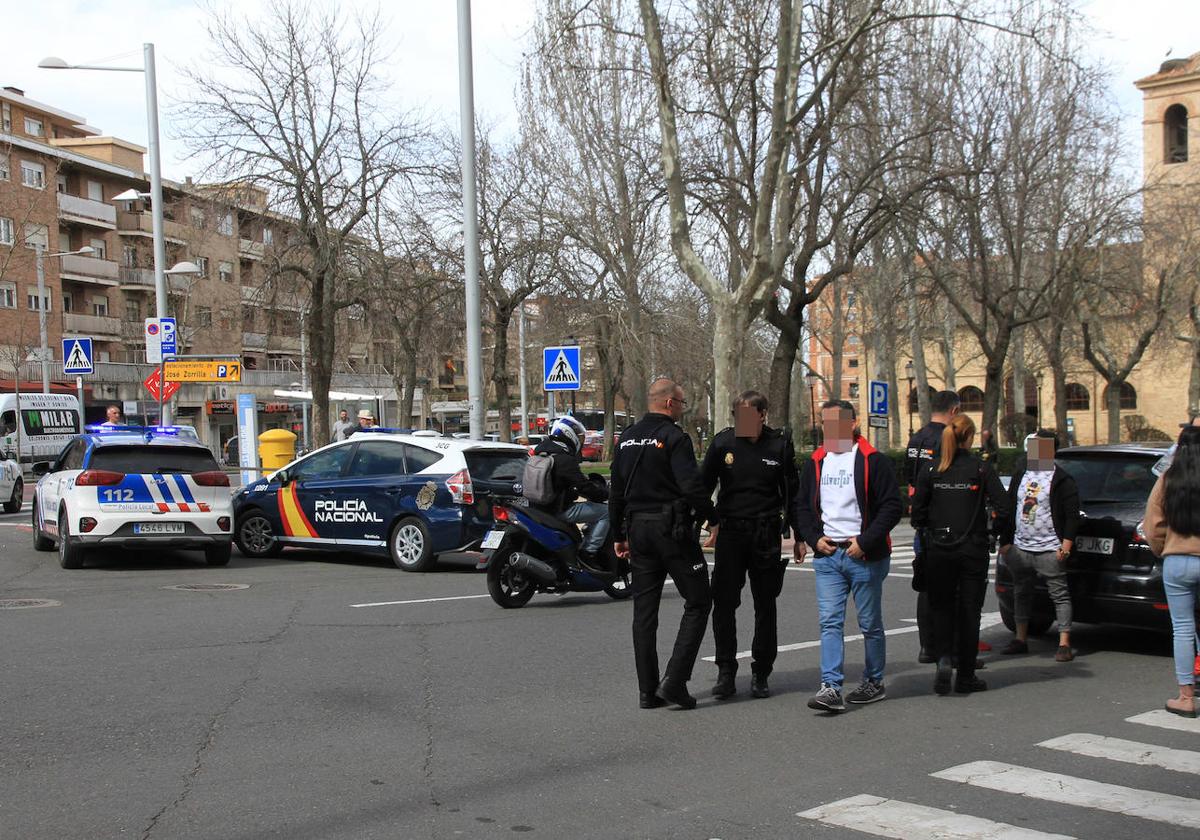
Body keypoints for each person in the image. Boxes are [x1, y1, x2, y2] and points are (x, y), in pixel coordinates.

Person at [610, 378, 716, 710]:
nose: (683, 409)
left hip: (637, 529)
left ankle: (647, 690)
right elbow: (691, 486)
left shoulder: (625, 438)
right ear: (669, 403)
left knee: (644, 612)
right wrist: (713, 517)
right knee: (699, 600)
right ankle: (675, 681)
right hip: (671, 530)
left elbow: (616, 491)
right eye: (682, 403)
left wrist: (617, 535)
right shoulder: (674, 437)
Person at [794, 399, 902, 713]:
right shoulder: (816, 461)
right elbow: (802, 506)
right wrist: (814, 539)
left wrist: (866, 542)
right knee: (829, 623)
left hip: (864, 556)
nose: (829, 430)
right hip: (828, 557)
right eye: (825, 424)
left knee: (869, 623)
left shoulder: (872, 460)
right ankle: (830, 687)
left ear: (852, 424)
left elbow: (892, 507)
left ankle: (874, 681)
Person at [701, 390, 802, 700]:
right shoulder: (723, 443)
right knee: (724, 604)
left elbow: (792, 493)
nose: (742, 421)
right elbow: (702, 488)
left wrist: (799, 537)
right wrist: (709, 522)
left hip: (765, 533)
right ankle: (726, 672)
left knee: (765, 604)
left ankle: (761, 672)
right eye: (738, 415)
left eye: (749, 415)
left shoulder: (779, 444)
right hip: (731, 533)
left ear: (762, 414)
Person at [911, 414, 1013, 694]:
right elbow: (1004, 507)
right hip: (972, 548)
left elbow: (917, 512)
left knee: (941, 607)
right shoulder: (980, 469)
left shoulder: (932, 469)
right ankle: (965, 674)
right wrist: (994, 533)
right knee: (970, 611)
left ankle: (943, 659)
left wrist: (929, 527)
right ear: (968, 437)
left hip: (939, 548)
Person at [998, 429, 1080, 661]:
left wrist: (1065, 546)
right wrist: (1005, 541)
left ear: (1051, 450)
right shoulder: (1021, 474)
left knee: (1059, 594)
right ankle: (1020, 638)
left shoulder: (1062, 479)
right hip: (1021, 547)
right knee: (1021, 592)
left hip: (1050, 548)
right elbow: (1009, 507)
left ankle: (1064, 642)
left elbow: (1072, 514)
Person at [1144, 425, 1200, 718]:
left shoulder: (1169, 477)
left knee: (1182, 628)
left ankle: (1186, 696)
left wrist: (1161, 547)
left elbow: (1152, 522)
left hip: (1177, 559)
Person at [904, 389, 962, 663]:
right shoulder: (946, 439)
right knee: (952, 586)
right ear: (953, 411)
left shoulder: (916, 438)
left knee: (925, 583)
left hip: (921, 520)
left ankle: (926, 645)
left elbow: (910, 478)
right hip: (944, 520)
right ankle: (948, 647)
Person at [531, 415, 610, 567]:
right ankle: (589, 552)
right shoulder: (564, 459)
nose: (580, 442)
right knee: (606, 512)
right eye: (579, 437)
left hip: (537, 508)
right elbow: (584, 487)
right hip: (559, 510)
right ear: (568, 434)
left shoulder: (539, 453)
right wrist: (604, 494)